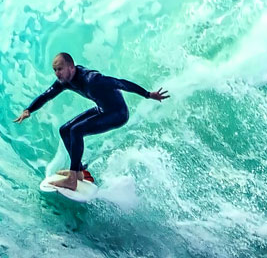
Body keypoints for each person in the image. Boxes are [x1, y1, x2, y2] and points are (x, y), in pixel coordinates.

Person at [14, 52, 169, 190]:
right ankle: (79, 171)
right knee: (64, 130)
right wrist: (29, 110)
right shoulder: (65, 81)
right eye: (55, 70)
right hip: (102, 109)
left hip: (118, 113)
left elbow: (121, 83)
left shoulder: (92, 79)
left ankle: (73, 178)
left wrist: (148, 94)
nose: (57, 74)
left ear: (71, 67)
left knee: (76, 130)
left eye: (59, 69)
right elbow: (47, 95)